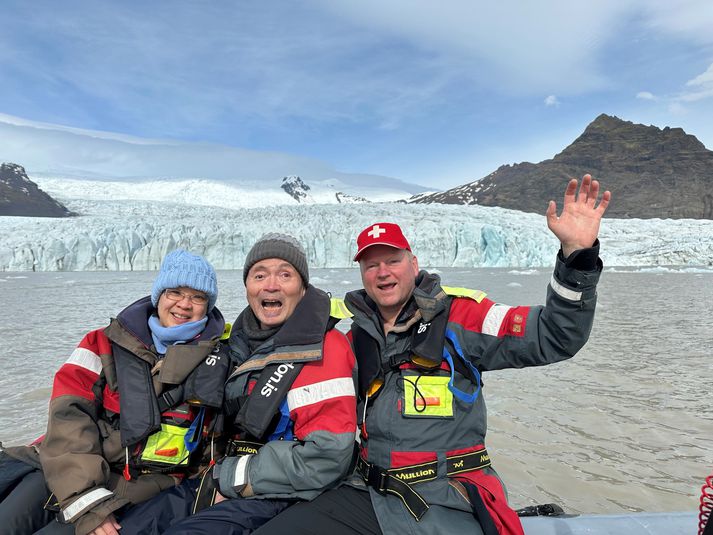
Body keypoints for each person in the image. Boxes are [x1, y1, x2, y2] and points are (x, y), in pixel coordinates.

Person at [254, 175, 611, 535]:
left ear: (413, 263)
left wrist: (576, 258)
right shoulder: (353, 336)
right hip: (367, 493)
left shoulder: (462, 317)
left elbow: (554, 336)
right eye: (371, 265)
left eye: (392, 260)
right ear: (362, 274)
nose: (382, 272)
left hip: (446, 502)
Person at [117, 233, 357, 534]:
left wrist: (231, 476)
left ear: (303, 288)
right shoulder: (236, 343)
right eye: (260, 275)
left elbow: (326, 456)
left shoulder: (325, 348)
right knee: (128, 528)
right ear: (248, 287)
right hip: (221, 475)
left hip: (282, 491)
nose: (271, 285)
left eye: (285, 274)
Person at [0, 249, 229, 535]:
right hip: (70, 467)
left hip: (141, 488)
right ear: (159, 295)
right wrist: (86, 501)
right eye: (175, 292)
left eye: (197, 297)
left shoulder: (223, 360)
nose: (184, 304)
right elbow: (69, 417)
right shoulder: (102, 342)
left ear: (208, 306)